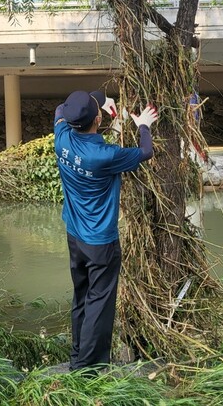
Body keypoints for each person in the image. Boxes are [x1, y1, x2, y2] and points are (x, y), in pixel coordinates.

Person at [53, 89, 158, 371]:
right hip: (101, 241)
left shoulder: (61, 138)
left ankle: (78, 355)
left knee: (82, 296)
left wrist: (99, 103)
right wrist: (144, 125)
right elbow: (146, 152)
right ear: (98, 119)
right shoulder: (105, 155)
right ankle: (88, 367)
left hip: (74, 235)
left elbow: (61, 111)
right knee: (100, 304)